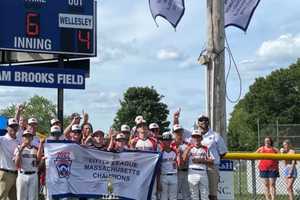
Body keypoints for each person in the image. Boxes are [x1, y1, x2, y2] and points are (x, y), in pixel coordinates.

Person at [198, 115, 227, 200]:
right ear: (198, 122)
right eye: (201, 120)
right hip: (199, 167)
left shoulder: (215, 135)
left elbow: (223, 152)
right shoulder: (195, 135)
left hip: (211, 167)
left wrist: (214, 160)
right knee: (200, 193)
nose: (203, 121)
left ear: (208, 122)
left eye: (205, 120)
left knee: (212, 194)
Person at [183, 130, 213, 200]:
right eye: (194, 137)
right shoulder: (189, 148)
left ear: (201, 138)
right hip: (192, 172)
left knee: (205, 195)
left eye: (198, 137)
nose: (196, 138)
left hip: (203, 172)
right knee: (194, 196)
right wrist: (188, 148)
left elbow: (212, 161)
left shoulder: (205, 148)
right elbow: (184, 159)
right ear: (192, 138)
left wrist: (201, 160)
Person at [14, 130, 39, 200]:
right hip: (22, 175)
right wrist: (21, 149)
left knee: (33, 198)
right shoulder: (18, 147)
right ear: (23, 138)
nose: (27, 138)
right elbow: (16, 164)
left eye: (29, 136)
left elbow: (38, 163)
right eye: (25, 136)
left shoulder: (35, 149)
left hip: (33, 175)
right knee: (21, 198)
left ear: (32, 138)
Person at [0, 118, 19, 200]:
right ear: (7, 128)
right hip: (5, 173)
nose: (13, 128)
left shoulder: (19, 141)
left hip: (17, 174)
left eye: (15, 126)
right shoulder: (1, 139)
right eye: (11, 126)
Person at [171, 124, 191, 200]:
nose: (179, 134)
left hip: (186, 172)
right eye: (176, 132)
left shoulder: (188, 144)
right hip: (175, 173)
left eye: (180, 131)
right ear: (173, 133)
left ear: (183, 132)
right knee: (174, 195)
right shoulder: (170, 145)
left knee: (187, 195)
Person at [159, 132, 179, 200]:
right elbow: (158, 168)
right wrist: (158, 181)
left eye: (169, 140)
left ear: (171, 141)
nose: (167, 141)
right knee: (163, 197)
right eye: (165, 140)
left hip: (174, 175)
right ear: (162, 141)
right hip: (163, 176)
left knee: (173, 198)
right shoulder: (160, 152)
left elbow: (179, 163)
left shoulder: (175, 151)